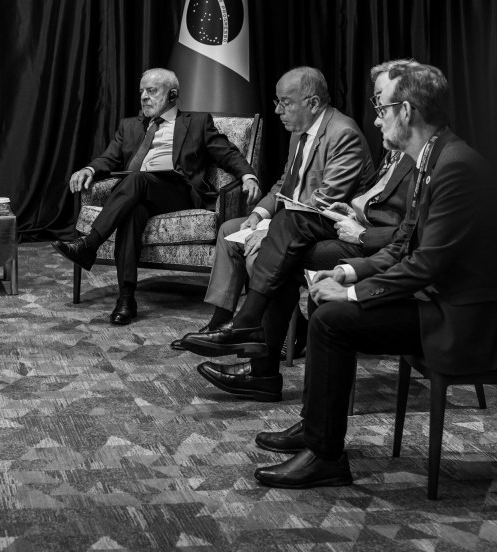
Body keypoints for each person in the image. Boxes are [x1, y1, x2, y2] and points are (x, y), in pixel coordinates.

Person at [252, 64, 497, 489]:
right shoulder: (432, 158)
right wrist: (347, 271)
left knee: (333, 319)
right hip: (440, 298)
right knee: (324, 300)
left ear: (406, 111)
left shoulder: (455, 166)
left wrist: (353, 295)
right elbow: (404, 243)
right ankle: (317, 429)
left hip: (470, 316)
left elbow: (426, 264)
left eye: (381, 108)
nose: (375, 120)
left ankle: (324, 455)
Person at [176, 60, 418, 402]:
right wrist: (261, 213)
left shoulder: (351, 135)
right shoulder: (313, 137)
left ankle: (254, 345)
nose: (375, 118)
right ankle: (248, 344)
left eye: (382, 106)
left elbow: (406, 232)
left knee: (284, 238)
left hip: (356, 240)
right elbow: (289, 185)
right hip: (338, 227)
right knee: (260, 236)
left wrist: (360, 230)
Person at [51, 68, 261, 325]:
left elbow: (227, 153)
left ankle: (89, 244)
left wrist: (248, 176)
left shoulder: (196, 122)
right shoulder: (129, 125)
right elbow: (109, 158)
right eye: (141, 91)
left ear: (172, 95)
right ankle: (126, 299)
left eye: (151, 91)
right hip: (138, 193)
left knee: (136, 179)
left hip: (178, 191)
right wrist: (89, 169)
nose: (143, 97)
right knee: (132, 212)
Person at [182, 66, 375, 343]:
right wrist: (259, 214)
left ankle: (267, 334)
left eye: (285, 102)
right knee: (229, 231)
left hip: (327, 228)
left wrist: (272, 230)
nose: (277, 110)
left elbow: (326, 202)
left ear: (313, 103)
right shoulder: (300, 132)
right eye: (277, 101)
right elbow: (285, 184)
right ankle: (221, 321)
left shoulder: (343, 134)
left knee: (258, 254)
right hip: (293, 222)